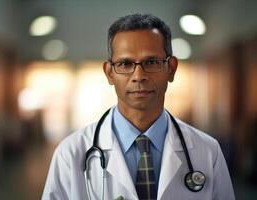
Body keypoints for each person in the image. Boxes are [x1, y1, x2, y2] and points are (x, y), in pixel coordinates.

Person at [42, 13, 235, 200]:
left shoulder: (208, 151)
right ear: (109, 73)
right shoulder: (70, 153)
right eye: (125, 64)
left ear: (171, 69)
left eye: (151, 62)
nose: (138, 75)